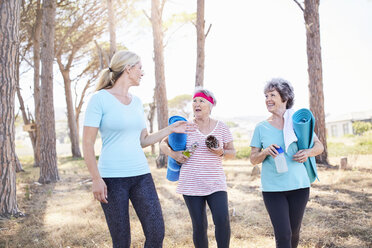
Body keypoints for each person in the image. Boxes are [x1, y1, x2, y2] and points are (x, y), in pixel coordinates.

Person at [82, 50, 195, 248]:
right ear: (128, 68)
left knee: (156, 232)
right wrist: (96, 179)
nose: (142, 73)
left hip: (141, 174)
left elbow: (143, 140)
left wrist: (170, 129)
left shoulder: (136, 102)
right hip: (112, 178)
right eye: (140, 68)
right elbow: (87, 143)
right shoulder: (99, 99)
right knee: (121, 241)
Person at [250, 78, 324, 248]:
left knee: (294, 232)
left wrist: (308, 152)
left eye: (272, 95)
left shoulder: (297, 122)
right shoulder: (261, 127)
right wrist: (265, 152)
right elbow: (253, 159)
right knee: (283, 234)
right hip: (273, 189)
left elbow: (319, 146)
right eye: (266, 95)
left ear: (285, 98)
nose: (268, 99)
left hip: (299, 186)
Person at [160, 88, 236, 248]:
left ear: (210, 105)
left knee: (222, 221)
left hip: (216, 183)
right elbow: (163, 144)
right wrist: (174, 155)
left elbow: (232, 153)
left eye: (201, 100)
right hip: (191, 183)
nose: (196, 104)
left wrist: (220, 151)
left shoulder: (221, 127)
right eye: (194, 101)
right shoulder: (185, 126)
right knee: (200, 226)